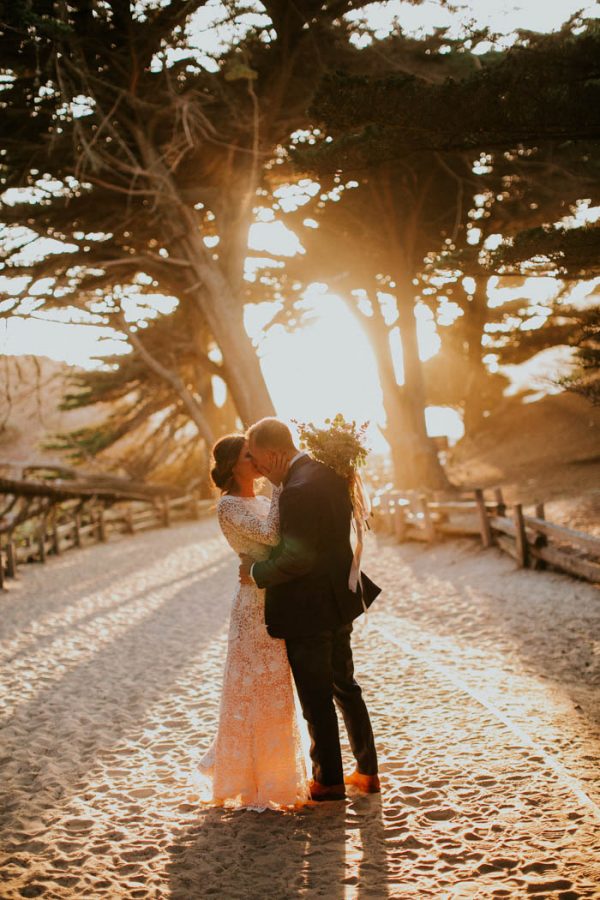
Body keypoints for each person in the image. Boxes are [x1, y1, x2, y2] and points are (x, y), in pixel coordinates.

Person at [241, 417, 381, 802]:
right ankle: (367, 772)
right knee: (346, 687)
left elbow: (297, 559)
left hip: (309, 608)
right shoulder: (329, 473)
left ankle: (328, 781)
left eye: (258, 459)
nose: (258, 468)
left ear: (275, 452)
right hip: (339, 599)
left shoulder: (297, 490)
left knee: (316, 697)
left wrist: (256, 572)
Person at [198, 434, 309, 811]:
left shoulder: (261, 500)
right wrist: (281, 486)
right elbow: (271, 535)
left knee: (275, 685)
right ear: (233, 466)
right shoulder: (228, 507)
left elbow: (283, 543)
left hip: (272, 595)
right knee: (252, 687)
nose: (258, 460)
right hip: (251, 609)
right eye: (250, 456)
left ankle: (277, 773)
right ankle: (248, 777)